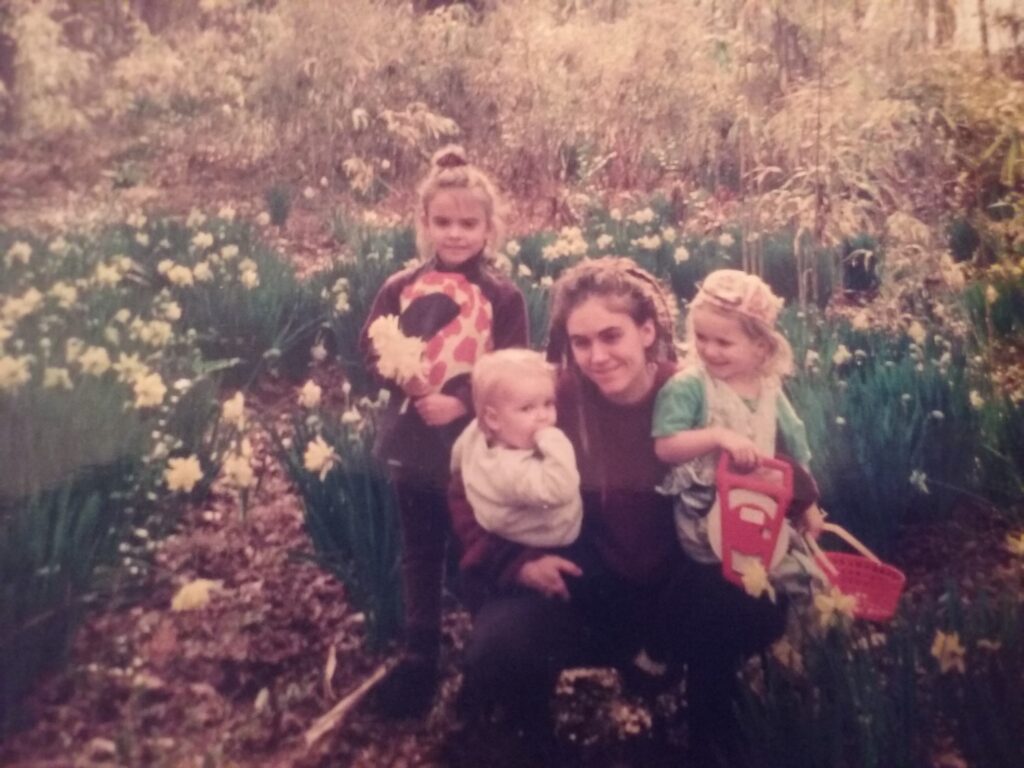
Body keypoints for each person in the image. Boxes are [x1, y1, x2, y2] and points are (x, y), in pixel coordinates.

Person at [359, 145, 528, 718]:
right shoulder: (400, 287)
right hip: (413, 441)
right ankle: (420, 655)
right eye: (444, 222)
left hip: (474, 443)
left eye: (468, 224)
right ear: (425, 223)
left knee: (477, 545)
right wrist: (406, 381)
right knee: (421, 549)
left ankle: (489, 655)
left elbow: (517, 368)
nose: (455, 234)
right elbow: (371, 347)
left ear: (489, 228)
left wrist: (460, 402)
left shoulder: (502, 296)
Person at [653, 268, 826, 599]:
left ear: (760, 347)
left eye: (723, 342)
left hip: (758, 506)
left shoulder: (767, 388)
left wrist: (808, 504)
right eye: (701, 337)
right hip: (706, 512)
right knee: (741, 583)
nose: (709, 350)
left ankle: (805, 616)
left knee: (799, 572)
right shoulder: (692, 386)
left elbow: (795, 443)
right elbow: (665, 446)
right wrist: (718, 436)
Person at [451, 348, 582, 550]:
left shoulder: (476, 431)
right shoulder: (511, 469)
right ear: (493, 418)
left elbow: (457, 457)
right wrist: (556, 441)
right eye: (527, 408)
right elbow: (561, 489)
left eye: (548, 403)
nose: (543, 416)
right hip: (546, 538)